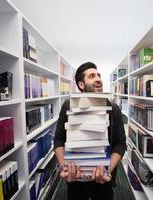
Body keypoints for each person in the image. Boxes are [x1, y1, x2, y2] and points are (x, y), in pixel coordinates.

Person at [54, 62, 126, 200]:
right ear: (81, 85)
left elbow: (120, 144)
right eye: (92, 76)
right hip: (75, 179)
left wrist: (107, 170)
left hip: (103, 180)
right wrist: (65, 167)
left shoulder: (114, 109)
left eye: (98, 75)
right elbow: (59, 140)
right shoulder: (68, 106)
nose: (98, 78)